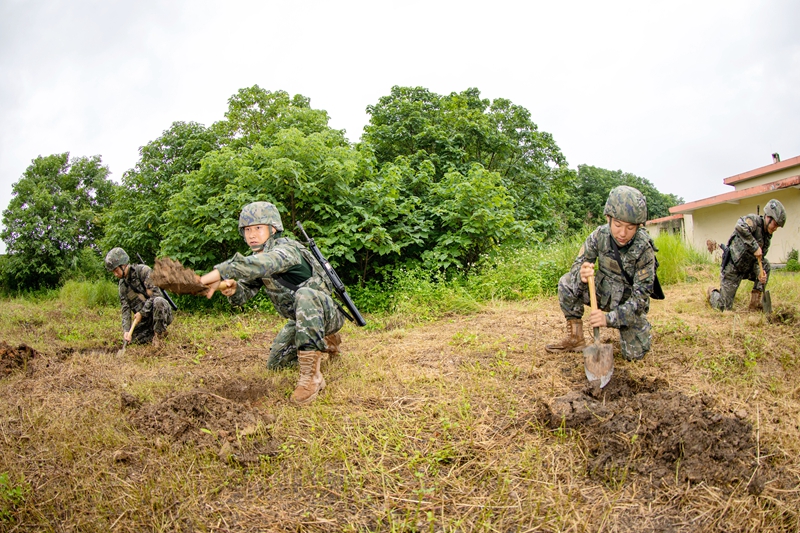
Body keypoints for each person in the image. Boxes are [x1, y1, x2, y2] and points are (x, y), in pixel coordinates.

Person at [198, 201, 345, 405]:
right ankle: (325, 343)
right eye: (247, 230)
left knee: (305, 294)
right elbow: (244, 294)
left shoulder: (286, 250)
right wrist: (231, 288)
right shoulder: (257, 258)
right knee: (276, 364)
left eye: (258, 228)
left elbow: (263, 264)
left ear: (273, 228)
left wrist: (209, 276)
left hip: (326, 314)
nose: (251, 234)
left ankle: (312, 378)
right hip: (299, 321)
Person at [545, 185, 656, 361]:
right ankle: (576, 338)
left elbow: (640, 300)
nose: (622, 233)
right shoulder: (598, 236)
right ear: (608, 218)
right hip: (602, 293)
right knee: (566, 282)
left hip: (627, 305)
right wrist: (580, 275)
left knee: (635, 355)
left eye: (630, 228)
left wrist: (608, 319)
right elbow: (578, 264)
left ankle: (632, 331)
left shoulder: (644, 249)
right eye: (618, 225)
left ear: (638, 226)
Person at [707, 199, 786, 311]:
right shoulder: (754, 221)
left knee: (766, 266)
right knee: (723, 307)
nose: (775, 228)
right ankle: (712, 293)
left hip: (748, 268)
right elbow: (739, 226)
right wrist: (755, 246)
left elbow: (759, 260)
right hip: (733, 268)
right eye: (775, 224)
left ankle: (754, 304)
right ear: (768, 217)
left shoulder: (767, 237)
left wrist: (760, 273)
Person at [104, 247, 174, 348]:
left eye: (116, 270)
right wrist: (126, 331)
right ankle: (152, 334)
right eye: (113, 272)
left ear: (123, 265)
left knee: (159, 301)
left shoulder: (143, 271)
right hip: (144, 321)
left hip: (159, 313)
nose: (115, 274)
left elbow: (156, 294)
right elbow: (125, 309)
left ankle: (159, 336)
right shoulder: (123, 286)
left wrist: (142, 313)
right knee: (133, 340)